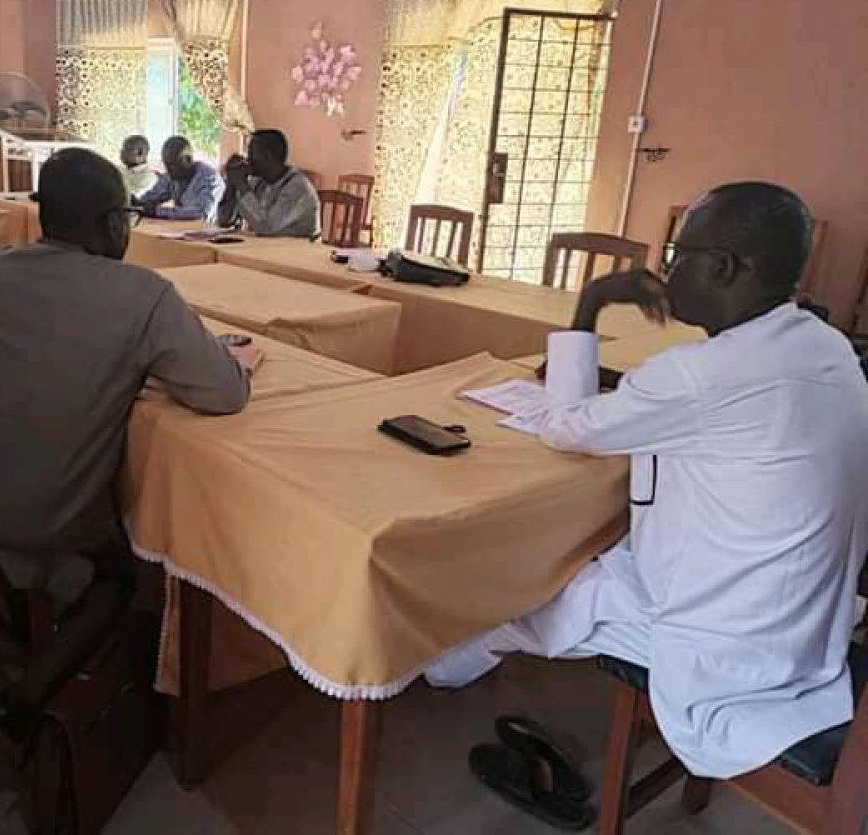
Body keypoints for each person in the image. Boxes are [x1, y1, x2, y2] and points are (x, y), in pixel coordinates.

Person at [426, 182, 868, 782]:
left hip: (726, 648)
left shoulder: (697, 376)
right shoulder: (829, 347)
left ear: (722, 267)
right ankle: (458, 667)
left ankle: (430, 671)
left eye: (674, 255)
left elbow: (563, 428)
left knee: (523, 586)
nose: (664, 271)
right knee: (589, 556)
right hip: (807, 624)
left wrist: (591, 305)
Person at [0, 147, 251, 745]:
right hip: (22, 514)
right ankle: (25, 699)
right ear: (111, 223)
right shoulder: (141, 294)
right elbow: (222, 392)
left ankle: (31, 617)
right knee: (129, 576)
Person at [217, 129, 320, 238]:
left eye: (251, 154)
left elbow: (266, 228)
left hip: (299, 252)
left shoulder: (298, 187)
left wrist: (242, 184)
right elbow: (224, 221)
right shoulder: (258, 181)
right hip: (266, 249)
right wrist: (232, 184)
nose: (247, 160)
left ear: (267, 156)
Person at [134, 136, 224, 223]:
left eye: (172, 165)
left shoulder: (210, 179)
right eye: (166, 165)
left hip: (211, 233)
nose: (168, 170)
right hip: (183, 232)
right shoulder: (173, 175)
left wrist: (157, 211)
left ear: (188, 159)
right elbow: (154, 195)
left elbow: (201, 214)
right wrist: (136, 202)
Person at [119, 135, 160, 200]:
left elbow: (132, 198)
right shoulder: (118, 170)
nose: (121, 152)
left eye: (127, 149)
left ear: (140, 152)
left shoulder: (149, 177)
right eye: (122, 149)